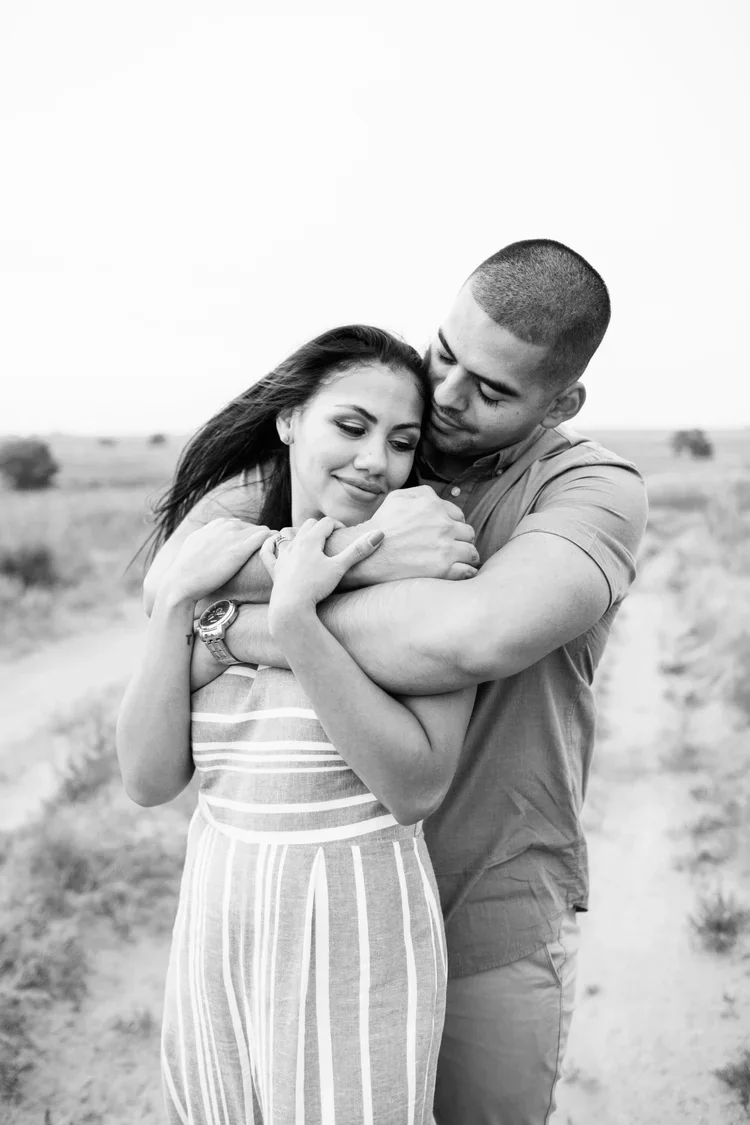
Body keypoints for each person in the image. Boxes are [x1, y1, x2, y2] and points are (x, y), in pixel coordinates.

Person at [145, 239, 649, 1125]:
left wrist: (236, 627)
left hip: (486, 907)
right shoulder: (368, 457)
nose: (447, 397)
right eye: (445, 355)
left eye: (491, 391)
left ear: (560, 402)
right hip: (317, 918)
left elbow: (466, 636)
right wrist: (354, 553)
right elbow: (175, 572)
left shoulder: (592, 490)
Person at [117, 324, 479, 1125]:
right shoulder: (216, 554)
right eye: (350, 426)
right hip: (220, 915)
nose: (374, 460)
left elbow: (417, 785)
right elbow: (147, 779)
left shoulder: (434, 567)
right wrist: (178, 604)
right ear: (289, 420)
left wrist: (297, 621)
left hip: (355, 923)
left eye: (401, 441)